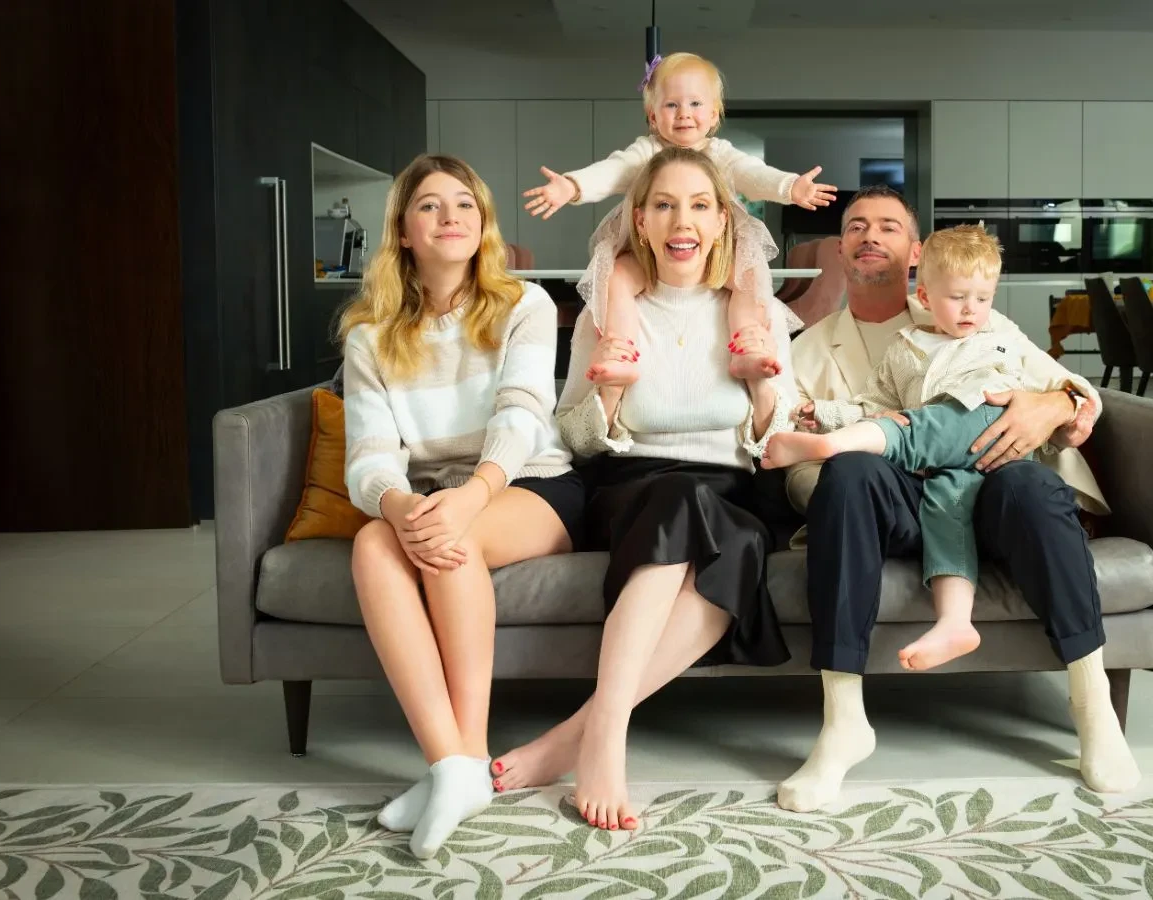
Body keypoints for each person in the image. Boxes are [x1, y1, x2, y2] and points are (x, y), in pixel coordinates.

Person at [776, 185, 1138, 813]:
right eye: (856, 225)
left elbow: (1069, 387)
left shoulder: (981, 322)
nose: (869, 235)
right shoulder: (805, 348)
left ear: (915, 253)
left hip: (990, 491)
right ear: (840, 249)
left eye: (888, 226)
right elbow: (780, 443)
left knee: (1030, 482)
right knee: (849, 470)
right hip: (886, 502)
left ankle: (1092, 702)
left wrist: (1050, 406)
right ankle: (842, 722)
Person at [491, 146, 797, 831]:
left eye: (698, 205)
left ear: (723, 220)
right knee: (684, 505)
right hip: (633, 485)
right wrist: (607, 396)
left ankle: (580, 734)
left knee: (741, 544)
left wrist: (760, 379)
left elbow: (778, 438)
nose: (680, 219)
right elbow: (570, 433)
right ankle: (606, 745)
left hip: (733, 490)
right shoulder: (610, 311)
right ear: (640, 219)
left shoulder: (756, 312)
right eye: (664, 204)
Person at [341, 154, 587, 859]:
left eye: (465, 205)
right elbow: (369, 451)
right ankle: (453, 765)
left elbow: (522, 416)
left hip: (528, 482)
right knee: (370, 545)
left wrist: (466, 498)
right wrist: (393, 505)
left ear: (484, 228)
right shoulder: (370, 336)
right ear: (404, 232)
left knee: (456, 540)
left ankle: (465, 758)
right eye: (429, 205)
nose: (450, 216)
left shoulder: (525, 304)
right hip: (430, 494)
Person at [765, 223, 1088, 672]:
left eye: (982, 298)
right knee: (943, 500)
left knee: (928, 424)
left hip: (995, 437)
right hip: (945, 471)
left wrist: (1057, 403)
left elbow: (1072, 391)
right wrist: (822, 412)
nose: (972, 309)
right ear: (926, 297)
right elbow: (873, 405)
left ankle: (830, 447)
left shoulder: (1000, 338)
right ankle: (956, 622)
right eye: (958, 298)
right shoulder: (905, 349)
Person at [521, 51, 835, 383]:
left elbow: (755, 174)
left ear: (714, 115)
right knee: (618, 278)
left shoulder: (721, 154)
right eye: (672, 105)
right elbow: (610, 173)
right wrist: (571, 186)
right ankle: (621, 352)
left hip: (714, 251)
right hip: (649, 250)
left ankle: (746, 347)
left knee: (747, 278)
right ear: (653, 116)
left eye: (695, 104)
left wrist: (789, 187)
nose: (684, 114)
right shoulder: (645, 152)